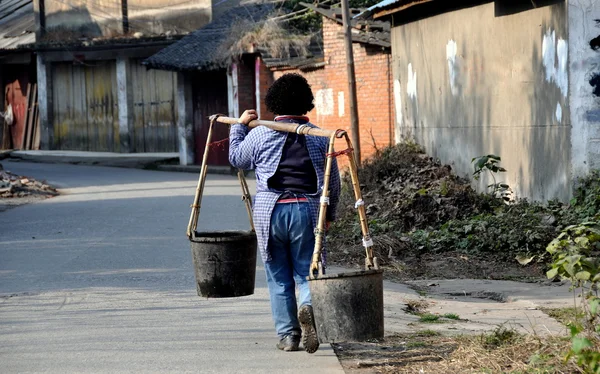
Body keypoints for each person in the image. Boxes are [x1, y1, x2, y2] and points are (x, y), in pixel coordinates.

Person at [229, 73, 340, 353]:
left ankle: (288, 336)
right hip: (307, 211)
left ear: (274, 103)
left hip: (270, 213)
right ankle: (308, 307)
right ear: (306, 102)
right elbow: (333, 183)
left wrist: (238, 127)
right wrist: (329, 215)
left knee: (278, 276)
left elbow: (237, 159)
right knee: (308, 272)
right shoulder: (318, 137)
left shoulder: (259, 133)